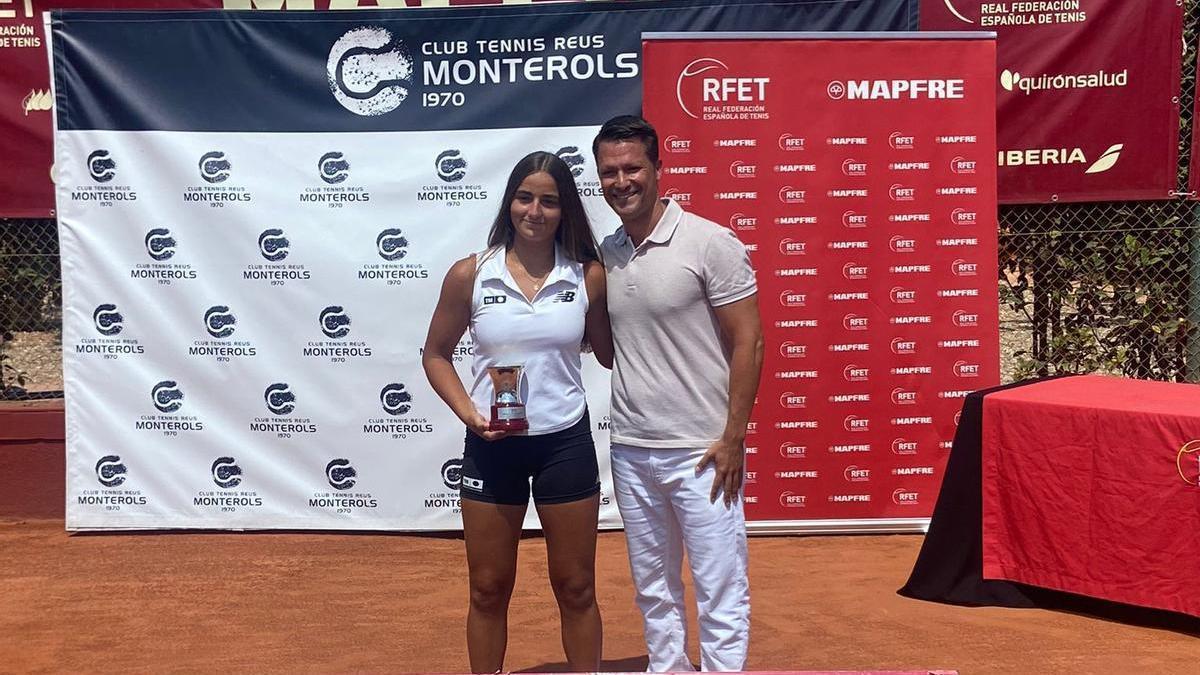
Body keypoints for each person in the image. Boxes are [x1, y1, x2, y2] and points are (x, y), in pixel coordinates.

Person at [422, 151, 613, 673]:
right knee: (487, 588)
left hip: (564, 445)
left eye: (549, 201)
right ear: (509, 203)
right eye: (525, 197)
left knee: (576, 588)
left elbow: (613, 351)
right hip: (491, 446)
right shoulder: (470, 274)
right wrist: (469, 414)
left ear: (565, 209)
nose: (535, 210)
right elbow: (435, 354)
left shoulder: (588, 275)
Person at [592, 115, 764, 672]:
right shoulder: (607, 253)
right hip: (632, 449)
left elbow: (749, 341)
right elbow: (611, 348)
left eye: (632, 168)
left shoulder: (710, 242)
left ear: (658, 170)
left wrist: (733, 436)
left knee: (719, 586)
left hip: (703, 451)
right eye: (609, 172)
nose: (622, 181)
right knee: (653, 587)